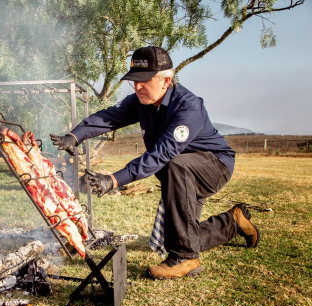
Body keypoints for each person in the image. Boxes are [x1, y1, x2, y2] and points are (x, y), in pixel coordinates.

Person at [50, 46, 260, 280]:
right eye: (134, 81)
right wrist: (75, 135)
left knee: (174, 166)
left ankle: (185, 258)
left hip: (214, 166)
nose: (137, 87)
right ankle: (233, 222)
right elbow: (110, 116)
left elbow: (162, 154)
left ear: (166, 80)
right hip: (180, 172)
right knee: (180, 235)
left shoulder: (188, 107)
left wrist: (113, 179)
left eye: (144, 81)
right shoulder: (141, 100)